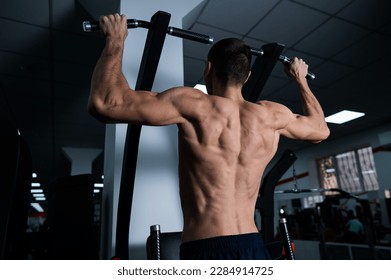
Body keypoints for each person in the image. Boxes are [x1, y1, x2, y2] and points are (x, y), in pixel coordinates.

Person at [88, 13, 330, 260]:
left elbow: (104, 103)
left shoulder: (194, 105)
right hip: (253, 247)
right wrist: (300, 79)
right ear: (246, 77)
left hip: (206, 248)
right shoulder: (272, 116)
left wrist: (115, 41)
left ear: (208, 68)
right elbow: (321, 129)